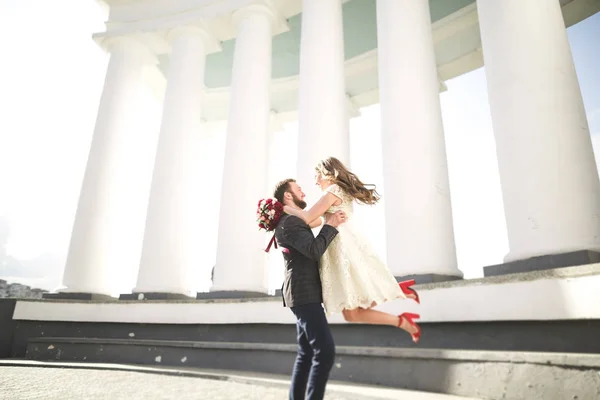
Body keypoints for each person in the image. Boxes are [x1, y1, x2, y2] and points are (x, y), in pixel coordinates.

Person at [283, 157, 421, 343]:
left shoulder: (333, 190)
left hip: (342, 250)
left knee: (352, 312)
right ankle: (402, 314)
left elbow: (307, 218)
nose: (315, 181)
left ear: (327, 174)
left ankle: (399, 293)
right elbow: (314, 221)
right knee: (352, 315)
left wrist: (283, 207)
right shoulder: (335, 193)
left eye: (317, 176)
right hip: (340, 246)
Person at [273, 178, 347, 400]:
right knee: (325, 353)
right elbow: (314, 251)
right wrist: (331, 225)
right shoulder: (290, 223)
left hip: (301, 294)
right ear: (288, 195)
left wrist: (327, 217)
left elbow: (313, 220)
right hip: (304, 294)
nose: (303, 192)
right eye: (298, 190)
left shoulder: (292, 221)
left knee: (305, 354)